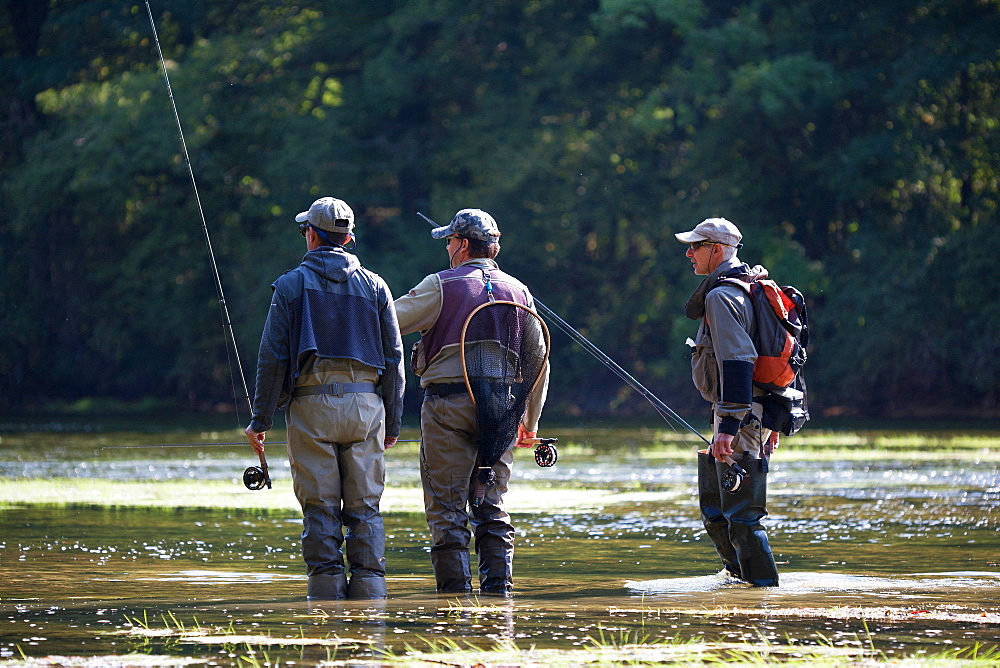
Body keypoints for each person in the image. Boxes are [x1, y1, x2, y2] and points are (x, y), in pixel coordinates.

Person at [245, 196, 405, 600]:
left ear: (312, 236)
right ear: (348, 237)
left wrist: (260, 420)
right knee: (365, 508)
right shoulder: (377, 286)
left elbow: (273, 358)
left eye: (305, 231)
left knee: (320, 509)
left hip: (311, 407)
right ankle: (369, 613)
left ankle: (326, 615)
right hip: (367, 407)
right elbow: (395, 359)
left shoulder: (289, 286)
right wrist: (394, 422)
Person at [394, 208, 549, 597]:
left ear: (463, 245)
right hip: (502, 410)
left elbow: (389, 319)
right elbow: (540, 359)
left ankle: (454, 604)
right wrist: (530, 420)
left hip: (448, 406)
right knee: (492, 505)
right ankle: (500, 600)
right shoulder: (520, 291)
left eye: (449, 241)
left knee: (447, 511)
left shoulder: (440, 284)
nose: (447, 247)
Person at [676, 217, 780, 587]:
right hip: (747, 413)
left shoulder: (722, 296)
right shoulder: (747, 288)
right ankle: (740, 586)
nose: (689, 253)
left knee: (742, 516)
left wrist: (730, 428)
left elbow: (738, 361)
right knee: (717, 510)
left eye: (696, 246)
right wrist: (769, 420)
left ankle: (763, 596)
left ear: (716, 250)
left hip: (739, 416)